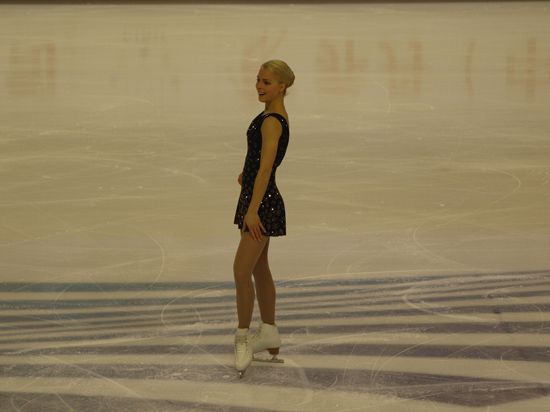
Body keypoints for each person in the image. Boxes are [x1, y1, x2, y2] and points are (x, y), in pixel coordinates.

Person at [232, 59, 294, 377]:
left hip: (262, 204)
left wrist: (253, 209)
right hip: (258, 197)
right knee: (259, 269)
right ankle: (268, 330)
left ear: (282, 86)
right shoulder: (273, 115)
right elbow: (259, 161)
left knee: (241, 271)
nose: (259, 85)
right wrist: (248, 173)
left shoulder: (272, 120)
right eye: (258, 79)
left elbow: (268, 167)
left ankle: (242, 337)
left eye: (267, 82)